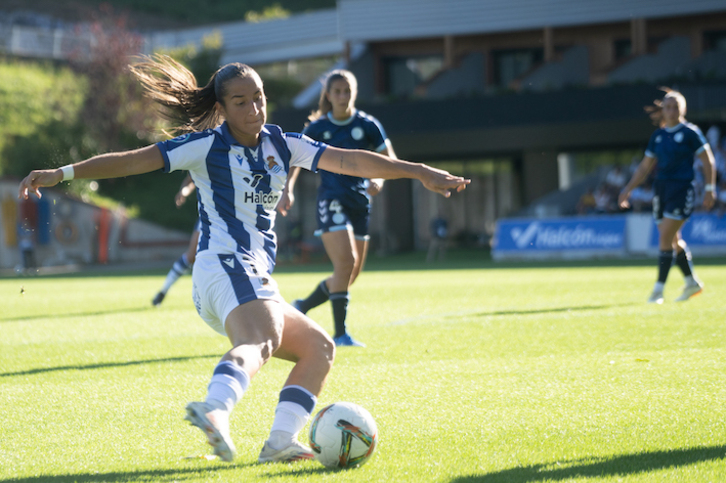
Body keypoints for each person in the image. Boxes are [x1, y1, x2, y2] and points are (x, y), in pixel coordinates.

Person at [18, 55, 469, 463]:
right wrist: (64, 173)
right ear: (223, 107)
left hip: (252, 276)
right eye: (241, 102)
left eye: (259, 98)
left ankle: (279, 443)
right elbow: (131, 161)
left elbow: (351, 161)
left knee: (318, 348)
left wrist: (417, 171)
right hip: (222, 265)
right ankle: (215, 409)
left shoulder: (283, 143)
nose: (254, 109)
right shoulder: (204, 147)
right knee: (266, 337)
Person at [278, 70, 395, 348]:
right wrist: (288, 188)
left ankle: (303, 305)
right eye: (337, 92)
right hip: (331, 198)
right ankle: (340, 334)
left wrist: (377, 178)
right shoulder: (318, 128)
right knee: (345, 263)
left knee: (349, 274)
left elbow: (389, 160)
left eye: (347, 91)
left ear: (354, 93)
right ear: (328, 96)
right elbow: (295, 159)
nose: (343, 96)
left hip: (360, 202)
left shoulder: (368, 125)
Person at [618, 88, 716, 304]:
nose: (671, 110)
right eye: (668, 107)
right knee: (672, 239)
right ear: (663, 110)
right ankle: (691, 282)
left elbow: (708, 160)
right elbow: (644, 167)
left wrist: (710, 188)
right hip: (661, 190)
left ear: (682, 109)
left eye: (676, 106)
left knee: (664, 237)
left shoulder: (690, 132)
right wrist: (628, 188)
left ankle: (658, 290)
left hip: (682, 190)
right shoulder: (658, 136)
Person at [152, 173, 201, 306]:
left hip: (237, 216)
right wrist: (184, 192)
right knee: (192, 256)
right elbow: (190, 179)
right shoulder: (208, 154)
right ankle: (163, 291)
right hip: (209, 216)